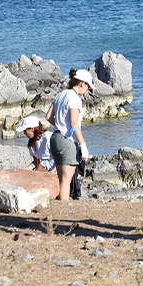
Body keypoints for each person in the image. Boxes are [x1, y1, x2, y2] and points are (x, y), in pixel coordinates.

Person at [46, 69, 93, 200]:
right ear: (82, 83)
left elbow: (48, 116)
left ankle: (62, 205)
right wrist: (83, 145)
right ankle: (64, 207)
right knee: (66, 181)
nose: (88, 89)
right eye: (88, 86)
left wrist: (60, 124)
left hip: (55, 138)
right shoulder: (75, 98)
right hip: (67, 141)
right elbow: (74, 123)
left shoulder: (60, 95)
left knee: (61, 179)